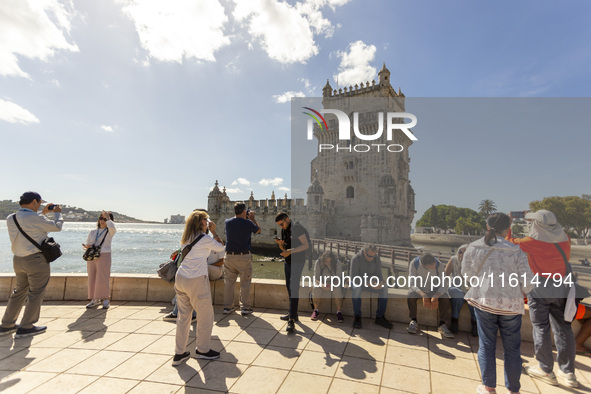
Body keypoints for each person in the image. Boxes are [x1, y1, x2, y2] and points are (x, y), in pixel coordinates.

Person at [507, 209, 580, 388]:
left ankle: (546, 369)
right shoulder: (566, 239)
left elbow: (508, 243)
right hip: (562, 286)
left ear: (536, 224)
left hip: (540, 286)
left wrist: (510, 221)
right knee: (564, 328)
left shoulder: (534, 241)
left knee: (540, 326)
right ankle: (568, 372)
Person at [463, 213, 534, 394]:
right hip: (510, 306)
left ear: (487, 227)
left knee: (486, 345)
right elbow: (528, 284)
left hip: (485, 302)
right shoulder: (515, 250)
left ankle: (489, 388)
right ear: (507, 229)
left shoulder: (473, 247)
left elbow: (467, 276)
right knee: (512, 349)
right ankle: (513, 390)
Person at [0, 192, 63, 338]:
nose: (40, 206)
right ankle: (27, 326)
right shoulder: (36, 218)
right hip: (35, 260)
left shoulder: (11, 218)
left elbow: (27, 221)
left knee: (19, 291)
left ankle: (7, 324)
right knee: (36, 292)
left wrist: (43, 212)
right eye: (39, 203)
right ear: (34, 202)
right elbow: (57, 227)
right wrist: (57, 214)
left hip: (18, 260)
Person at [172, 210, 225, 366]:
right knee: (205, 316)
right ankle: (202, 350)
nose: (208, 222)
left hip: (180, 278)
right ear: (201, 222)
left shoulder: (185, 238)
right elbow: (221, 248)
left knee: (183, 317)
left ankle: (179, 353)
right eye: (206, 220)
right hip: (196, 280)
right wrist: (214, 231)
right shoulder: (204, 238)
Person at [163, 249, 224, 321]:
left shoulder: (200, 241)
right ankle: (181, 313)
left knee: (190, 292)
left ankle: (187, 314)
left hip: (195, 271)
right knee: (188, 292)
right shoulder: (197, 241)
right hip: (192, 270)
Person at [274, 212, 310, 333]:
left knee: (294, 288)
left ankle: (291, 320)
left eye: (282, 224)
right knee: (289, 287)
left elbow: (306, 245)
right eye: (279, 225)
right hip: (288, 261)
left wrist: (290, 251)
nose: (281, 227)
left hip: (298, 261)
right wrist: (281, 245)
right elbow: (285, 248)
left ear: (287, 219)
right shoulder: (285, 230)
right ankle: (293, 313)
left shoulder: (297, 228)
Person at [223, 203, 260, 316]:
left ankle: (228, 307)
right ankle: (245, 308)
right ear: (244, 211)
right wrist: (252, 218)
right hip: (244, 256)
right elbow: (258, 230)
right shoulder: (248, 223)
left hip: (229, 256)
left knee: (229, 282)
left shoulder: (227, 222)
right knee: (245, 282)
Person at [407, 253, 454, 339]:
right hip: (420, 288)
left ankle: (442, 324)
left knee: (445, 297)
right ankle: (413, 321)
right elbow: (411, 283)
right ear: (424, 265)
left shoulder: (438, 264)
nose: (435, 264)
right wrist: (423, 294)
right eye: (432, 264)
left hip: (434, 289)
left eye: (434, 263)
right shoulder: (414, 264)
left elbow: (444, 284)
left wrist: (437, 295)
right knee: (410, 295)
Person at [350, 244, 393, 330]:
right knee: (357, 288)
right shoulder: (356, 258)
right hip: (358, 281)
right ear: (364, 252)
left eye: (373, 256)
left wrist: (379, 283)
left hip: (370, 282)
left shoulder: (376, 258)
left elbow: (379, 275)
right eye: (369, 256)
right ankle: (357, 316)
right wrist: (369, 283)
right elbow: (354, 278)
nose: (371, 258)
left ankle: (380, 317)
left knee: (384, 287)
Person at [83, 211, 116, 309]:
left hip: (104, 255)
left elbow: (113, 228)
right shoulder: (93, 232)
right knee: (92, 277)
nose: (102, 221)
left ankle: (105, 299)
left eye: (105, 219)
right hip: (92, 256)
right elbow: (88, 243)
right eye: (101, 218)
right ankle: (94, 299)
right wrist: (87, 246)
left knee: (103, 277)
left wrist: (108, 218)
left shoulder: (110, 231)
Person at [444, 244, 478, 336]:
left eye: (465, 253)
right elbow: (445, 276)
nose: (462, 255)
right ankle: (454, 321)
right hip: (455, 287)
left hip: (469, 288)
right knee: (457, 294)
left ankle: (475, 324)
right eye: (460, 252)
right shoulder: (453, 260)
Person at [311, 251, 344, 323]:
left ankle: (339, 312)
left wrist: (332, 285)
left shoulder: (337, 263)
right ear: (323, 260)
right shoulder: (318, 262)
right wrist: (321, 284)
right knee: (316, 288)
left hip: (334, 282)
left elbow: (338, 278)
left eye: (330, 261)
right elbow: (316, 278)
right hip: (321, 282)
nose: (328, 263)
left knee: (338, 289)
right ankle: (316, 310)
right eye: (326, 261)